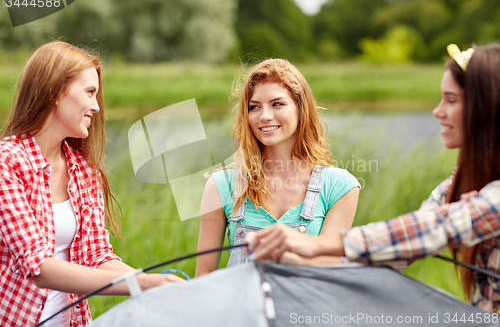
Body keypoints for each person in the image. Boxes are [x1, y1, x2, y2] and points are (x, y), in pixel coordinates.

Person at [246, 43, 500, 312]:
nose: (438, 111)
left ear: (485, 106)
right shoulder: (454, 187)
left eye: (451, 100)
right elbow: (405, 246)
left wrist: (316, 245)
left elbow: (437, 227)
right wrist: (301, 261)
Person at [0, 41, 184, 327]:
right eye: (89, 92)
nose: (97, 107)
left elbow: (96, 255)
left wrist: (149, 281)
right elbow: (39, 267)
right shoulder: (7, 163)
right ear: (56, 92)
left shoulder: (84, 170)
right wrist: (141, 284)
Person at [195, 58, 360, 276]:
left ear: (301, 109)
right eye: (254, 107)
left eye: (277, 104)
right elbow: (205, 275)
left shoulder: (340, 187)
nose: (264, 116)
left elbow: (328, 273)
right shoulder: (221, 185)